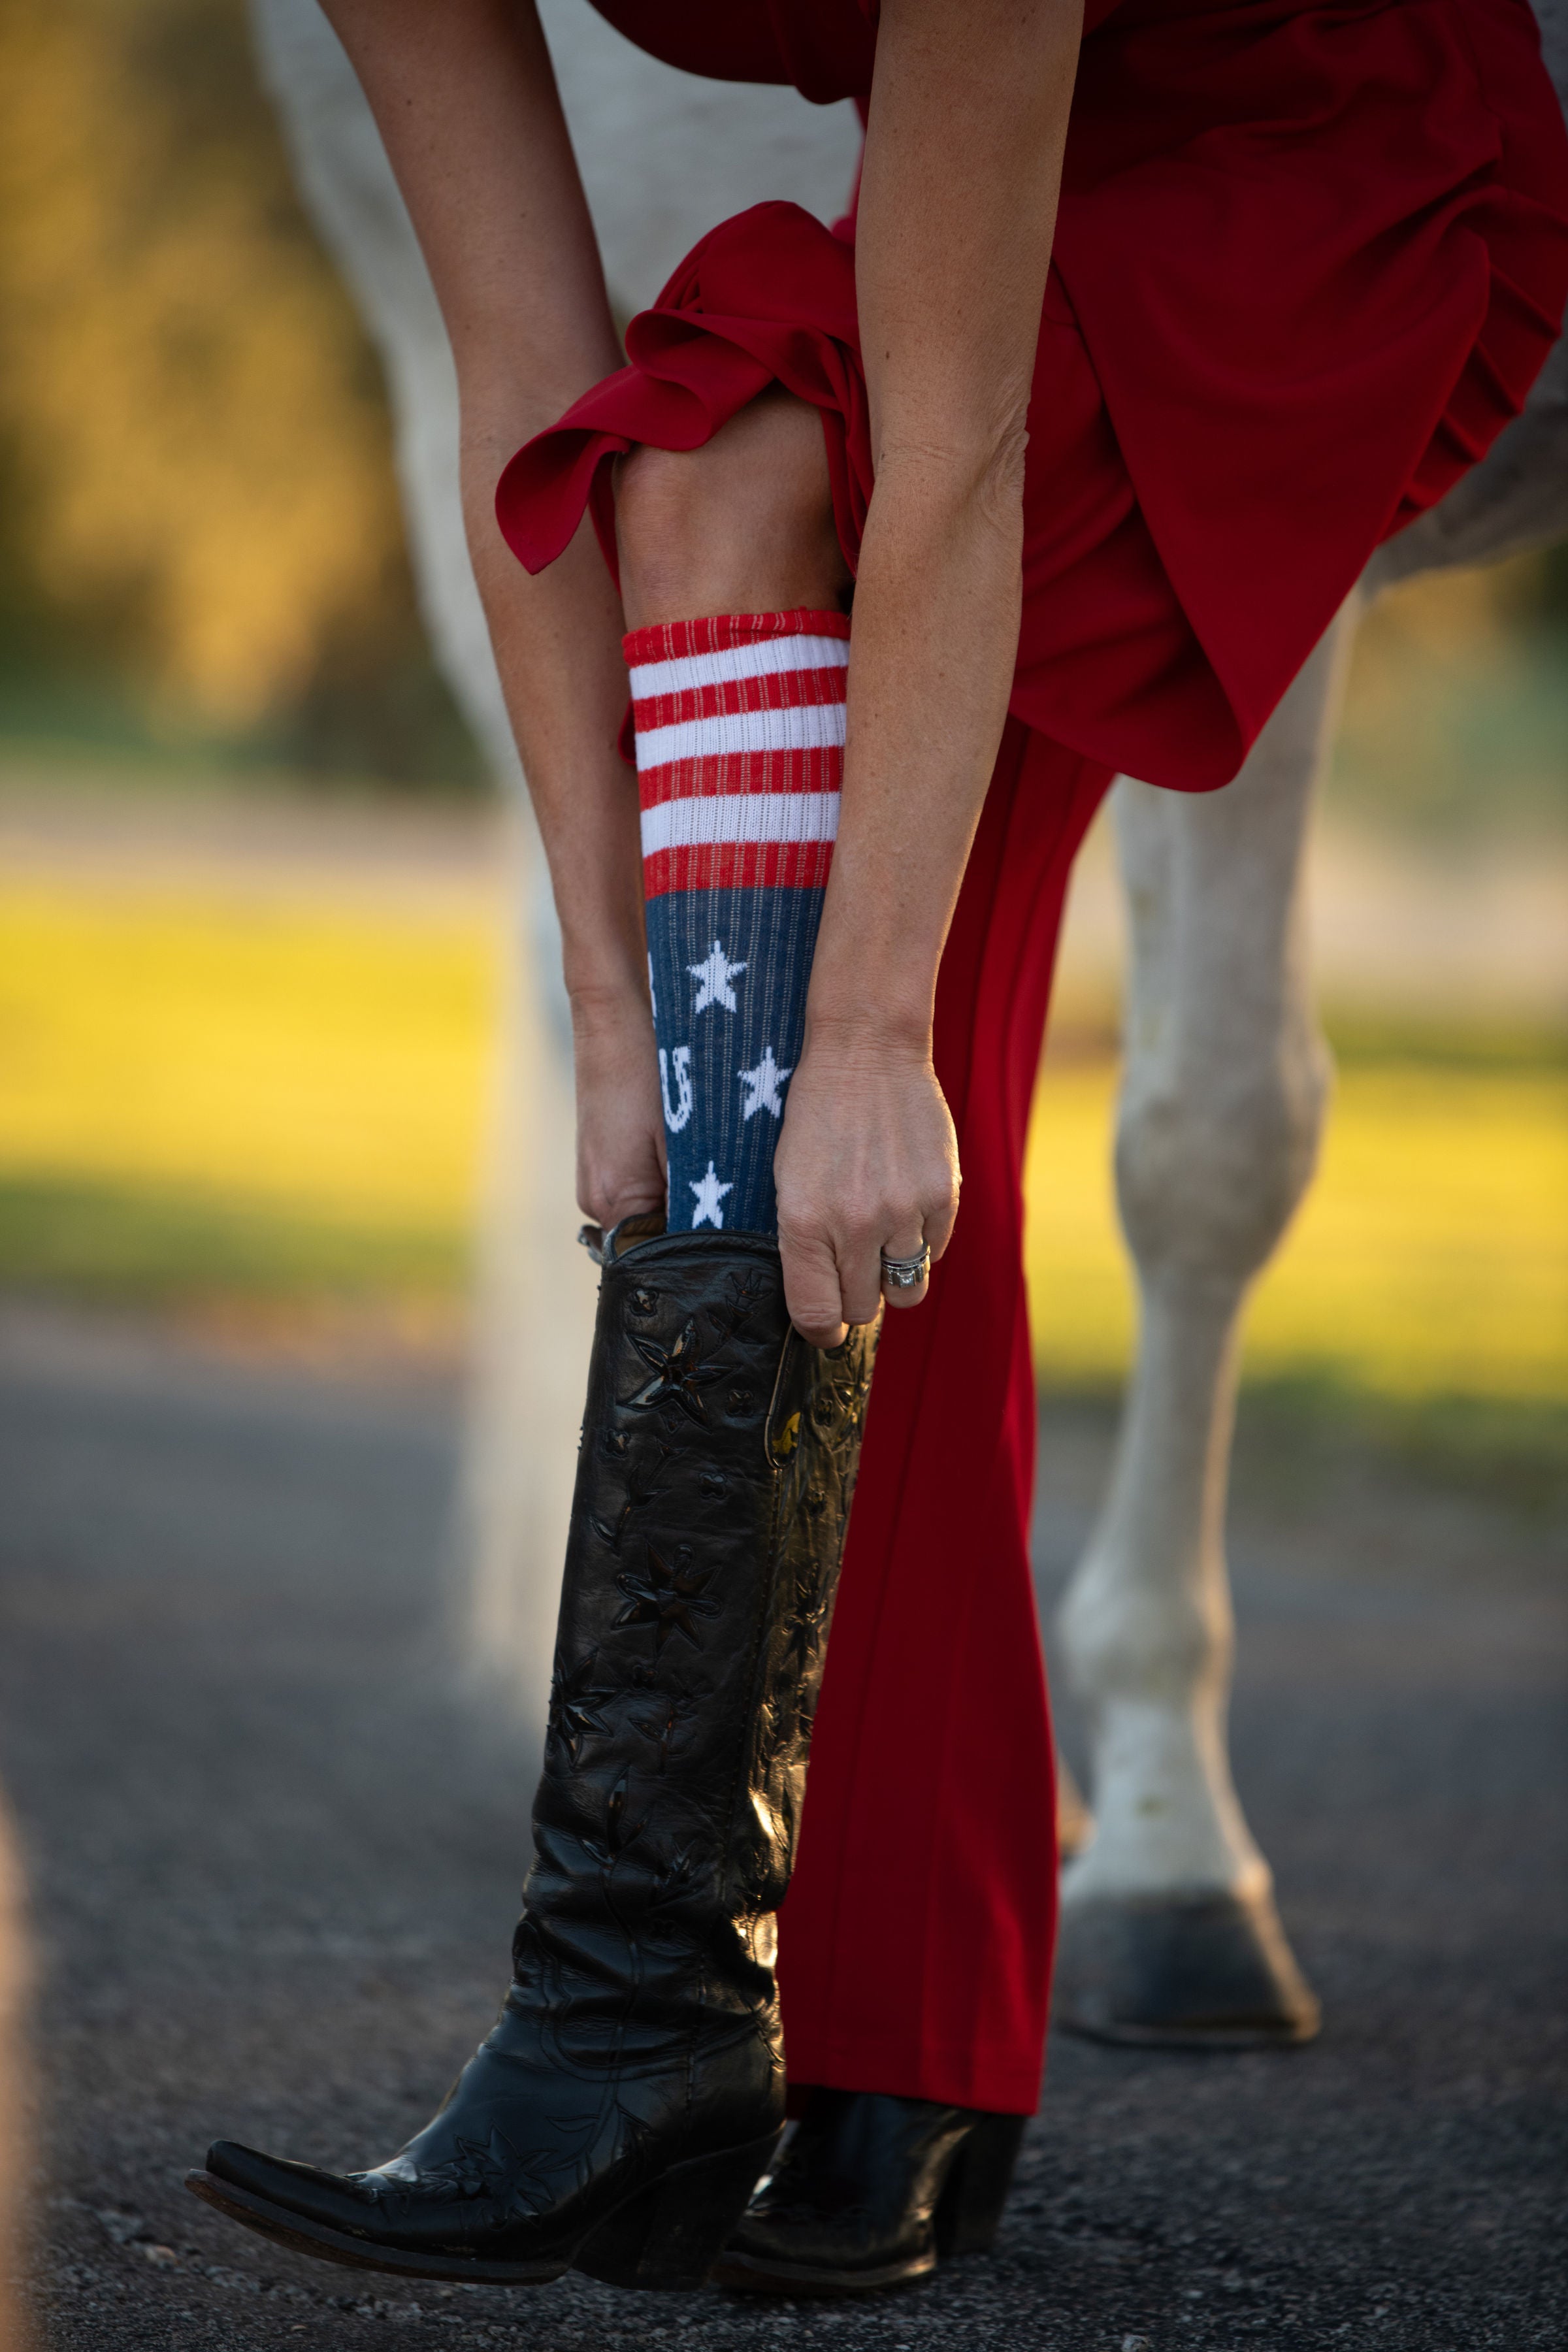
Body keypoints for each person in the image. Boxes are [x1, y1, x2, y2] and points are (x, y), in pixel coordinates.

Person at [186, 0, 1568, 2303]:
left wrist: (852, 1033)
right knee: (684, 484)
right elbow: (526, 402)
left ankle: (669, 2017)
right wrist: (617, 1010)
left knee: (743, 494)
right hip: (996, 237)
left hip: (1330, 177)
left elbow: (943, 457)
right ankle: (824, 2031)